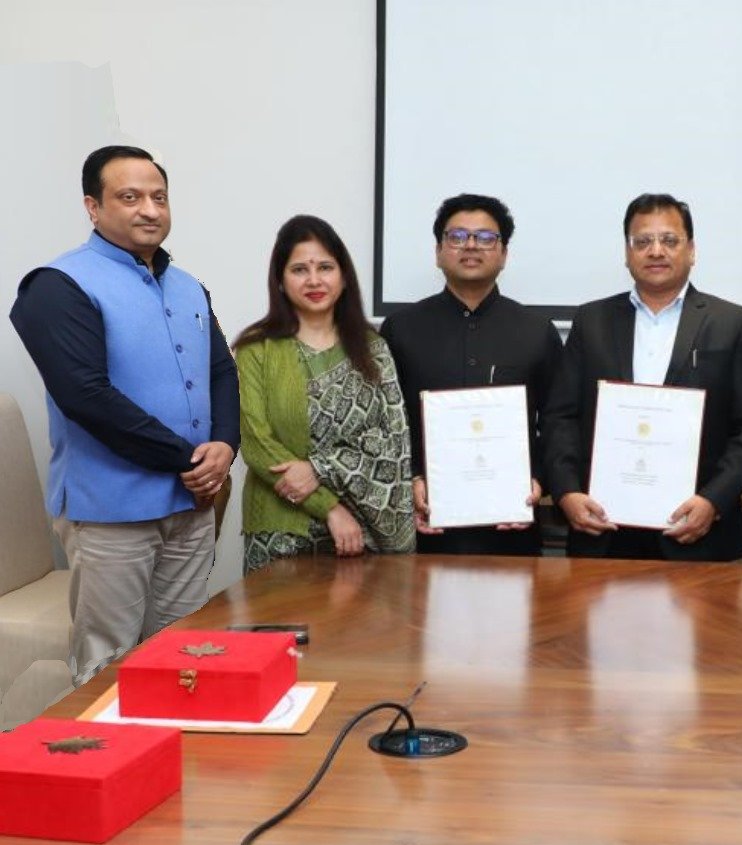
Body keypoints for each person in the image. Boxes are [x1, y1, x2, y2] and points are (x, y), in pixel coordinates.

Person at [10, 145, 239, 685]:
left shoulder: (189, 286)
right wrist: (189, 459)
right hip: (110, 512)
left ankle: (171, 743)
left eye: (159, 197)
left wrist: (226, 446)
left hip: (190, 506)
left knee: (182, 656)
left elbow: (221, 372)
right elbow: (85, 395)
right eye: (130, 197)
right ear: (93, 207)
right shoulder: (57, 285)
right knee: (107, 664)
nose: (150, 210)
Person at [542, 193, 742, 561]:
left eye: (669, 240)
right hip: (603, 529)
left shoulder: (732, 323)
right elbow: (560, 417)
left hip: (697, 532)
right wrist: (567, 492)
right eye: (643, 241)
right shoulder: (591, 321)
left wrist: (713, 501)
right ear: (627, 252)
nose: (656, 251)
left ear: (691, 250)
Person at [380, 194, 562, 555]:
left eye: (486, 237)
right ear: (438, 251)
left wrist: (538, 479)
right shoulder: (400, 330)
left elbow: (559, 421)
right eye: (458, 236)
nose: (471, 245)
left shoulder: (537, 330)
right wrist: (410, 478)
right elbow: (384, 423)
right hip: (424, 524)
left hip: (513, 527)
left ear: (504, 254)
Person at [234, 215, 414, 572]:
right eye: (299, 269)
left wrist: (319, 468)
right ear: (280, 281)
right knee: (278, 612)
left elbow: (393, 444)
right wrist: (329, 508)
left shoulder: (374, 349)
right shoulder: (256, 349)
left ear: (344, 277)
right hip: (281, 530)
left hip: (365, 532)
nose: (314, 280)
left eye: (325, 267)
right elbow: (256, 443)